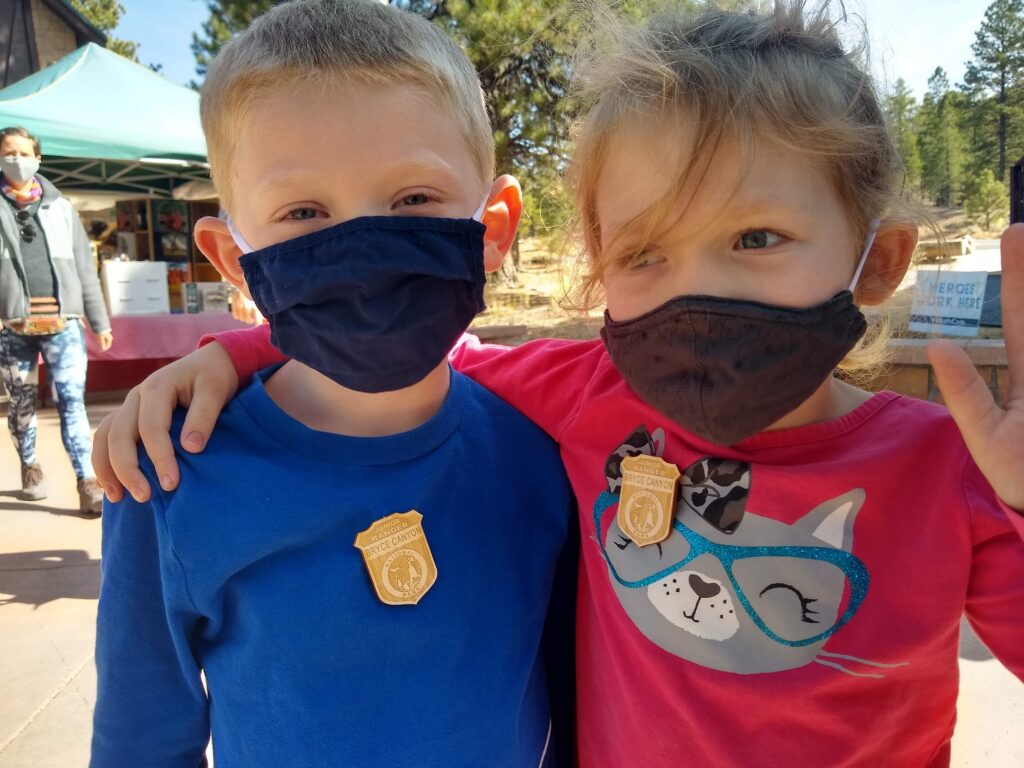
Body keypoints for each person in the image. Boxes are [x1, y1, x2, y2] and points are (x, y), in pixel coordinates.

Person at [95, 2, 1024, 765]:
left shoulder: (960, 468)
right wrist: (232, 352)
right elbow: (412, 358)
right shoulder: (582, 401)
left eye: (755, 238)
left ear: (878, 259)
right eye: (646, 251)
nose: (699, 293)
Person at [89, 1, 576, 766]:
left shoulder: (543, 452)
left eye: (414, 199)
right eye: (305, 212)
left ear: (496, 228)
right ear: (231, 258)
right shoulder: (169, 474)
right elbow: (140, 740)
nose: (361, 245)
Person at [0, 126, 112, 514]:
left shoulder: (61, 207)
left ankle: (87, 480)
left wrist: (100, 321)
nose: (16, 159)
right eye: (8, 152)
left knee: (72, 401)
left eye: (24, 152)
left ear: (38, 158)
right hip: (12, 327)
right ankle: (30, 466)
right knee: (22, 405)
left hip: (64, 324)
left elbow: (85, 266)